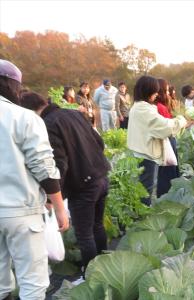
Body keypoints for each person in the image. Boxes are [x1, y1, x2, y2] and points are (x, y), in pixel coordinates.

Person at [20, 92, 110, 279]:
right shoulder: (74, 114)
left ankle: (92, 278)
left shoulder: (48, 125)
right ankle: (106, 266)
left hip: (83, 184)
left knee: (85, 235)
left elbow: (59, 164)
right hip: (101, 176)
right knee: (97, 225)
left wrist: (53, 196)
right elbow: (99, 142)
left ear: (30, 112)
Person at [0, 59, 69, 300]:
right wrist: (59, 208)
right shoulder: (23, 117)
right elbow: (44, 168)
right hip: (21, 210)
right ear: (10, 85)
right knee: (33, 282)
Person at [127, 76, 190, 206]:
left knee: (144, 188)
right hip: (146, 155)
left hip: (143, 152)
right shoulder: (143, 110)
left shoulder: (139, 106)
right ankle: (141, 218)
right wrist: (182, 120)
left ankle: (141, 214)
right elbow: (165, 127)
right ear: (147, 91)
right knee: (145, 191)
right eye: (155, 91)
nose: (157, 94)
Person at [155, 78, 181, 197]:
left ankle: (165, 194)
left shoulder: (156, 105)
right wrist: (182, 122)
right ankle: (168, 195)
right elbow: (169, 127)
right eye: (166, 90)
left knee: (165, 169)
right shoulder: (160, 107)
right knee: (168, 169)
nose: (169, 93)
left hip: (163, 140)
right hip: (167, 140)